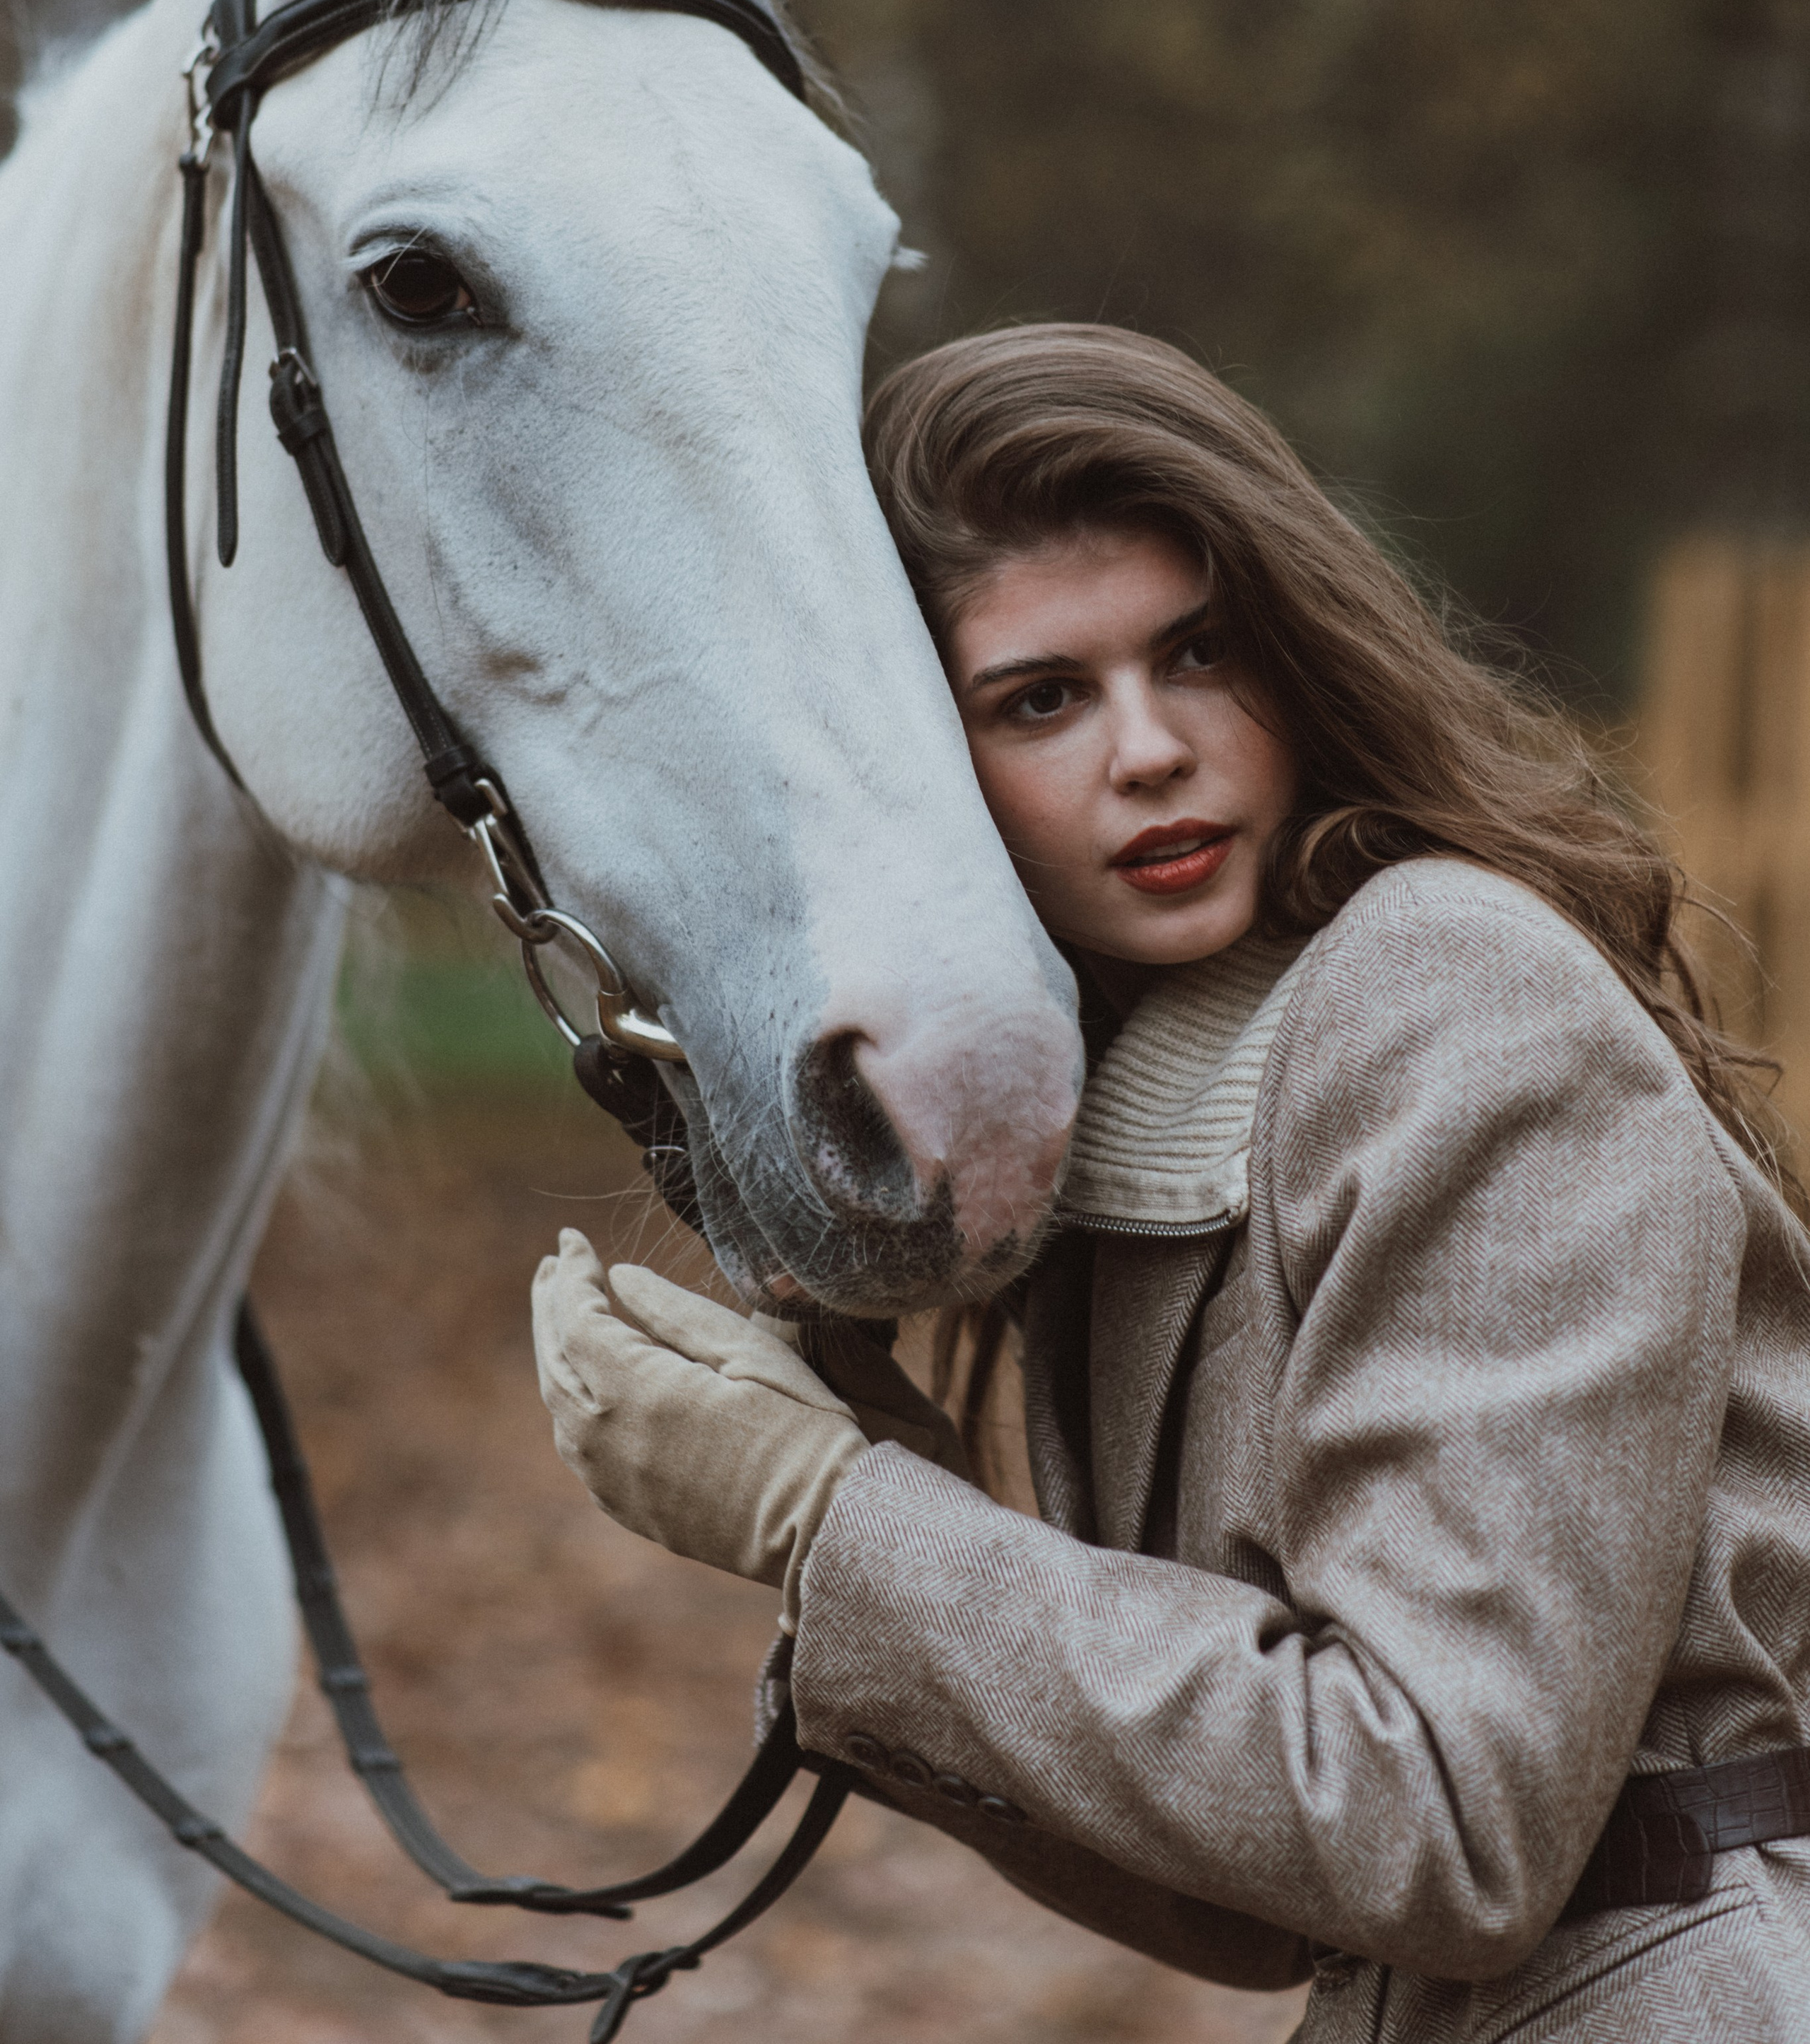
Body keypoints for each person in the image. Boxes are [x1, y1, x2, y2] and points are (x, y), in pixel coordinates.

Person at [532, 323, 1810, 2038]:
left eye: (1196, 655)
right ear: (922, 765)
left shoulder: (1453, 1001)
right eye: (1041, 698)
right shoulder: (1167, 1091)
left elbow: (1437, 1828)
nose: (1148, 750)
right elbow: (1262, 1904)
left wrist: (834, 1522)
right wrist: (865, 1476)